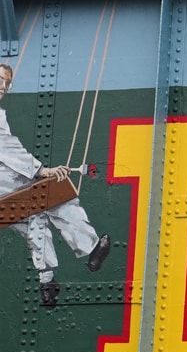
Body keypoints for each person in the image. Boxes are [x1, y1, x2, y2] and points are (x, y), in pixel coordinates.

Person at [0, 63, 110, 309]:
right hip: (5, 183)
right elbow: (5, 146)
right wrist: (42, 170)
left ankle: (47, 282)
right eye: (0, 80)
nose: (4, 87)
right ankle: (90, 247)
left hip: (6, 184)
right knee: (56, 194)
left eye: (7, 83)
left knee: (34, 220)